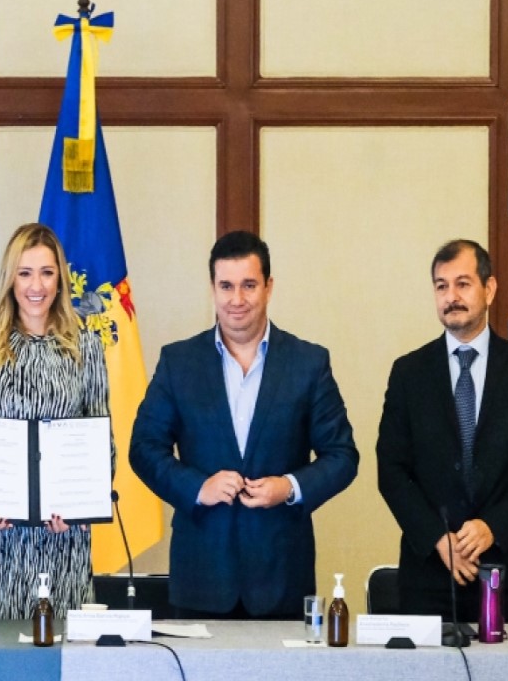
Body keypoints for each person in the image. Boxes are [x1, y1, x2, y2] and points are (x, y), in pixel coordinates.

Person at [129, 230, 358, 619]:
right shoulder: (178, 362)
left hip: (282, 579)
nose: (237, 299)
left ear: (269, 287)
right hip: (201, 578)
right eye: (226, 286)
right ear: (212, 289)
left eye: (249, 285)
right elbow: (144, 448)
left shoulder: (308, 363)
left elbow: (342, 456)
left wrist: (289, 487)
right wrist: (198, 487)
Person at [377, 239, 508, 623]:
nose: (451, 297)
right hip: (428, 574)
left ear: (489, 289)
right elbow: (391, 470)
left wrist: (493, 527)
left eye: (463, 284)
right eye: (441, 286)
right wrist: (438, 539)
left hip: (503, 569)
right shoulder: (409, 373)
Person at [0, 222, 113, 619]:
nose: (36, 286)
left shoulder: (87, 347)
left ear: (60, 280)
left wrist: (83, 504)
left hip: (63, 542)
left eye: (46, 273)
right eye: (25, 273)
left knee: (62, 651)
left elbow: (101, 442)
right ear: (10, 279)